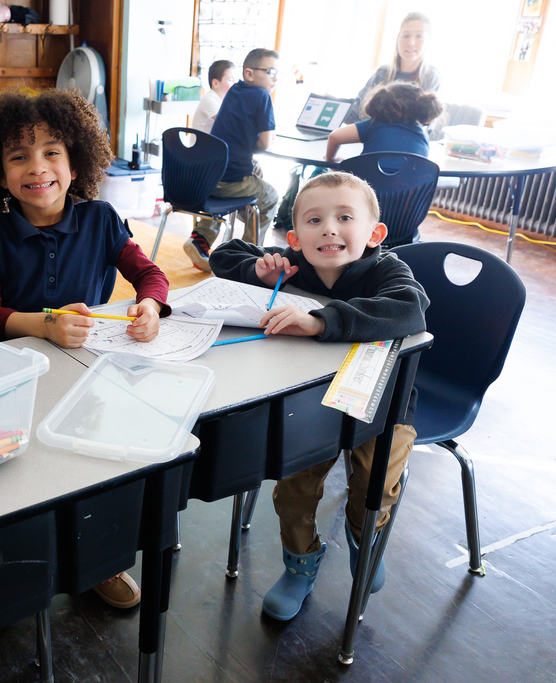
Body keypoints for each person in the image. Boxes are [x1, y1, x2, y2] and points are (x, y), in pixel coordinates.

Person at [0, 89, 171, 608]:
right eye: (18, 156)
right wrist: (43, 324)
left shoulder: (101, 219)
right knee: (13, 476)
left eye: (52, 151)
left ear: (76, 162)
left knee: (95, 467)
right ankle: (9, 568)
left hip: (86, 372)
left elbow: (149, 274)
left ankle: (101, 560)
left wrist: (150, 306)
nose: (38, 168)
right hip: (12, 377)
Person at [208, 172, 429, 621]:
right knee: (293, 491)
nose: (328, 228)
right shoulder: (296, 262)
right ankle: (300, 564)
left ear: (375, 234)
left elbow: (410, 308)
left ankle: (364, 538)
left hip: (384, 405)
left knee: (375, 484)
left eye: (345, 217)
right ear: (295, 237)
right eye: (314, 220)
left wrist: (321, 321)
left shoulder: (388, 269)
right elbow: (224, 255)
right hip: (309, 404)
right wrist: (258, 268)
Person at [209, 48, 280, 247]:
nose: (275, 80)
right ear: (249, 73)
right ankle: (248, 251)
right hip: (233, 180)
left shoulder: (234, 91)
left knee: (254, 175)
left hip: (208, 177)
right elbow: (266, 143)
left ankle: (201, 240)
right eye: (271, 73)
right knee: (271, 196)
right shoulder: (262, 96)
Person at [184, 59, 237, 272]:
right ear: (215, 82)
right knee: (241, 186)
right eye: (230, 80)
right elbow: (229, 127)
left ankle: (201, 241)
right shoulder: (211, 100)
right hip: (204, 172)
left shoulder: (219, 101)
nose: (234, 85)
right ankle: (239, 253)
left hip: (207, 167)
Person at [344, 12, 441, 125]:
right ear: (397, 39)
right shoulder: (382, 73)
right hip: (374, 135)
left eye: (419, 36)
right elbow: (356, 111)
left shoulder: (432, 77)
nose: (411, 42)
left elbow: (426, 123)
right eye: (406, 35)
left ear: (428, 41)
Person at [326, 82, 444, 162]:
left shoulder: (374, 125)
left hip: (366, 195)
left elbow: (334, 137)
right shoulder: (423, 138)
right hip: (404, 198)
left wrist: (330, 160)